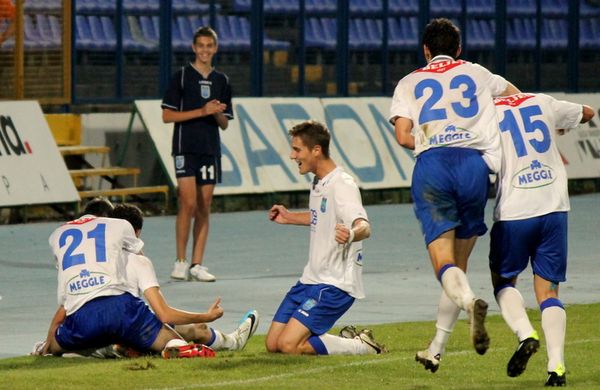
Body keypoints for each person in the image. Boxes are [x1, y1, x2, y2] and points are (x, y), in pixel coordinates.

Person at [388, 17, 520, 371]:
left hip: (434, 166)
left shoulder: (409, 82)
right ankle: (435, 349)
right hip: (474, 168)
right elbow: (515, 96)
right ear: (459, 50)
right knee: (458, 265)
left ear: (426, 50)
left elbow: (403, 136)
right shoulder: (477, 73)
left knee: (444, 265)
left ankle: (469, 302)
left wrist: (435, 141)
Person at [489, 93, 594, 386]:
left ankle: (525, 333)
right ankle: (556, 367)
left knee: (503, 281)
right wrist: (560, 126)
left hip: (515, 211)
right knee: (549, 294)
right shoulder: (541, 101)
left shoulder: (485, 113)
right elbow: (588, 112)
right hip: (554, 209)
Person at [265, 120, 386, 356]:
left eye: (297, 150)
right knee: (273, 344)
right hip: (310, 279)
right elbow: (321, 217)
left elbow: (364, 226)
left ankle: (360, 345)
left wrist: (351, 233)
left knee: (289, 346)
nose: (292, 155)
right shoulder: (319, 181)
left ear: (316, 150)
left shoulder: (342, 184)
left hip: (335, 284)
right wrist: (289, 217)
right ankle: (339, 339)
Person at [40, 198, 210, 359]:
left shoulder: (56, 235)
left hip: (82, 315)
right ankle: (177, 347)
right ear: (108, 216)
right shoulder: (118, 225)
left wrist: (50, 339)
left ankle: (71, 349)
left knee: (55, 346)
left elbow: (64, 301)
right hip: (121, 308)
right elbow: (137, 254)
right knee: (170, 338)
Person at [110, 203, 259, 353]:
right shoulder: (138, 260)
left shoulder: (94, 256)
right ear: (137, 232)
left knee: (188, 329)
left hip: (94, 323)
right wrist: (205, 316)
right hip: (128, 323)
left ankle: (119, 348)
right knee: (183, 338)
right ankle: (232, 343)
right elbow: (165, 315)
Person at [161, 26, 233, 282]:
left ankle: (197, 264)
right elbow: (167, 116)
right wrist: (202, 111)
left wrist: (214, 112)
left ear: (215, 49)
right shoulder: (181, 77)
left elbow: (224, 122)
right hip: (184, 147)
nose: (204, 50)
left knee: (205, 206)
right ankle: (180, 261)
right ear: (193, 48)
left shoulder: (222, 81)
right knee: (188, 203)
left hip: (209, 149)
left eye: (209, 46)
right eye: (200, 46)